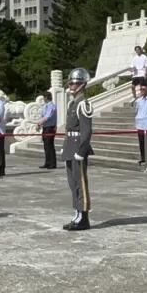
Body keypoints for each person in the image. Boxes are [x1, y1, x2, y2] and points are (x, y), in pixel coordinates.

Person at [62, 68, 94, 231]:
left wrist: (81, 151)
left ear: (82, 85)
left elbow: (87, 131)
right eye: (70, 83)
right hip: (70, 146)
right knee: (72, 183)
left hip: (78, 149)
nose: (71, 86)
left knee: (80, 183)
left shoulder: (83, 104)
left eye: (74, 83)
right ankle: (77, 214)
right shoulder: (73, 103)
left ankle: (84, 217)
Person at [38, 91, 57, 169]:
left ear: (46, 97)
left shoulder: (51, 106)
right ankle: (47, 162)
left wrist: (39, 123)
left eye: (44, 98)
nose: (43, 99)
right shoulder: (45, 106)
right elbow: (43, 116)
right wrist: (41, 124)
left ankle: (52, 163)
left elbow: (47, 117)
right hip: (45, 127)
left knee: (50, 145)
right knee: (46, 146)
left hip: (50, 128)